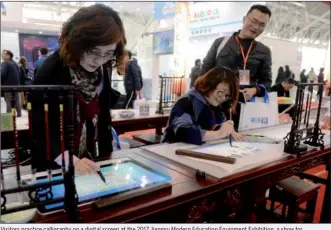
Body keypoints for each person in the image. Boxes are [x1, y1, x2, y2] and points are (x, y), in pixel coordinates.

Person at [31, 4, 126, 174]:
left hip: (90, 154)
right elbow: (41, 126)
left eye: (108, 53)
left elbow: (103, 114)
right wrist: (69, 160)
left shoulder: (104, 68)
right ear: (78, 43)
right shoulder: (51, 69)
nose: (99, 60)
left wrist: (107, 155)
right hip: (56, 163)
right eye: (93, 51)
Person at [200, 5, 272, 129]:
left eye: (262, 24)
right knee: (211, 142)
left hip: (245, 111)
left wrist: (255, 90)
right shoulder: (220, 43)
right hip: (215, 106)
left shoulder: (264, 51)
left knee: (240, 145)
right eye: (254, 21)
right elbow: (203, 74)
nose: (256, 27)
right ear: (244, 19)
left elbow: (267, 82)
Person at [162, 66, 243, 145]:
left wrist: (226, 130)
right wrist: (218, 133)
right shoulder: (187, 101)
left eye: (227, 96)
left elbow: (215, 126)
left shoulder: (216, 105)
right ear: (210, 83)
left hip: (197, 150)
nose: (222, 98)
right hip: (171, 149)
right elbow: (182, 131)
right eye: (221, 92)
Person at [1, 50, 22, 117]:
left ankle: (8, 115)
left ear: (8, 56)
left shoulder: (5, 62)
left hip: (7, 85)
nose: (2, 55)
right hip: (17, 84)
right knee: (17, 100)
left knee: (8, 101)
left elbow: (2, 74)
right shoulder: (15, 63)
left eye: (4, 54)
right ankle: (19, 114)